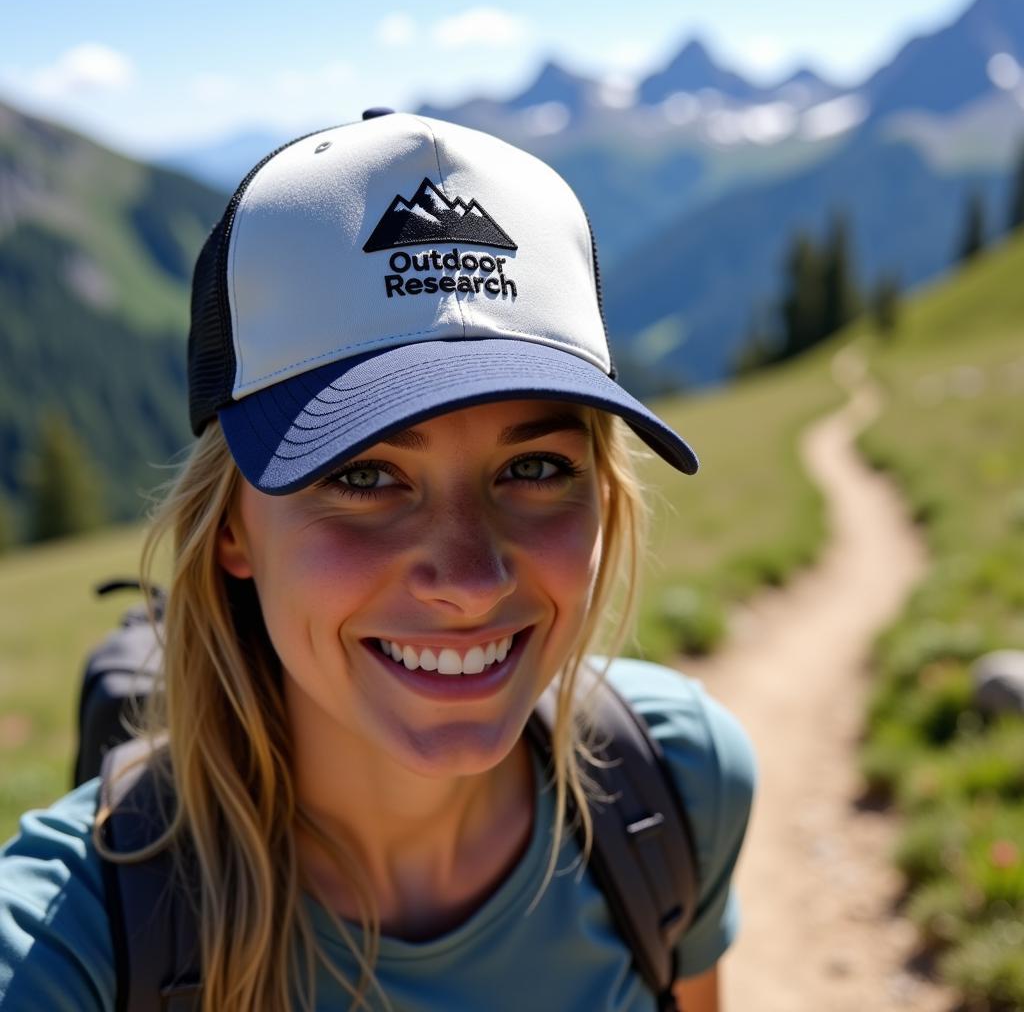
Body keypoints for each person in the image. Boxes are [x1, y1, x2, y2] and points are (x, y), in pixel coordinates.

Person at [0, 109, 755, 1011]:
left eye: (536, 467)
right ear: (232, 528)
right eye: (365, 475)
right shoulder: (67, 943)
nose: (472, 580)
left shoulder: (676, 785)